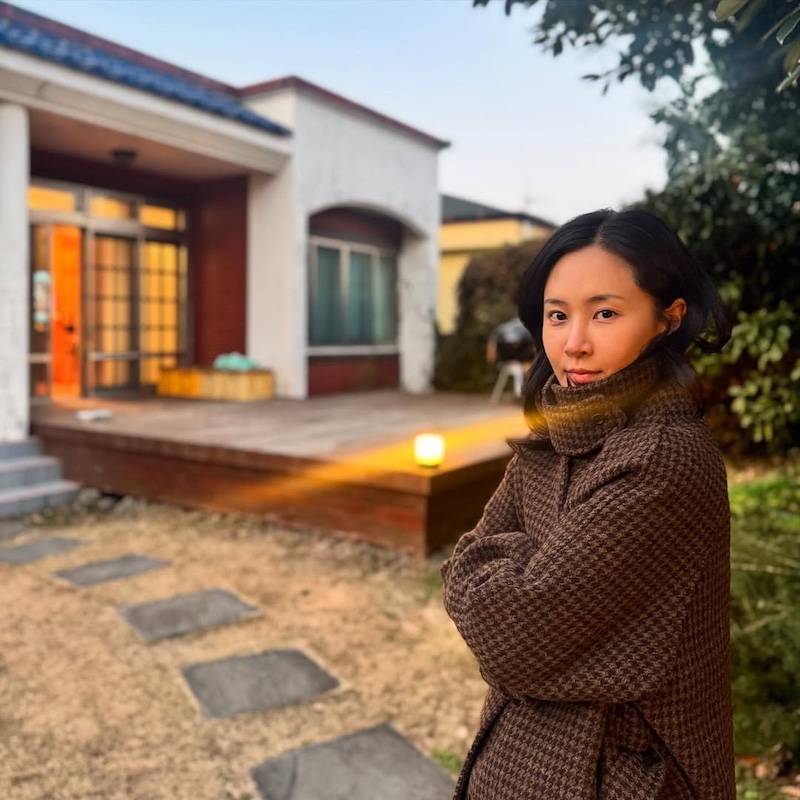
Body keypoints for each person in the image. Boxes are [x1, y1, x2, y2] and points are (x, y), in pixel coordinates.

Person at [441, 208, 734, 800]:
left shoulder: (662, 458)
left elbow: (515, 638)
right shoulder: (556, 435)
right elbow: (461, 566)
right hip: (520, 754)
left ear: (667, 318)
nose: (573, 344)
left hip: (623, 774)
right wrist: (509, 571)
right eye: (557, 315)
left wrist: (504, 568)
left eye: (605, 313)